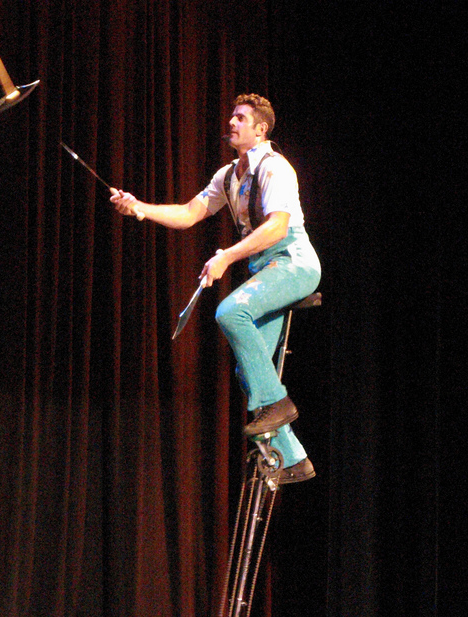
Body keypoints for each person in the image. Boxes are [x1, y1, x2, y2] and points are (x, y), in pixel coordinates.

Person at [110, 94, 320, 483]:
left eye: (240, 118)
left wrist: (226, 257)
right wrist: (138, 207)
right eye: (232, 117)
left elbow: (277, 227)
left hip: (294, 263)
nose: (232, 123)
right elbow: (189, 213)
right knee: (249, 369)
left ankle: (278, 404)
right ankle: (294, 459)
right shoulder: (228, 176)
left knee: (230, 311)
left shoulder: (275, 167)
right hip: (266, 269)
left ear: (260, 129)